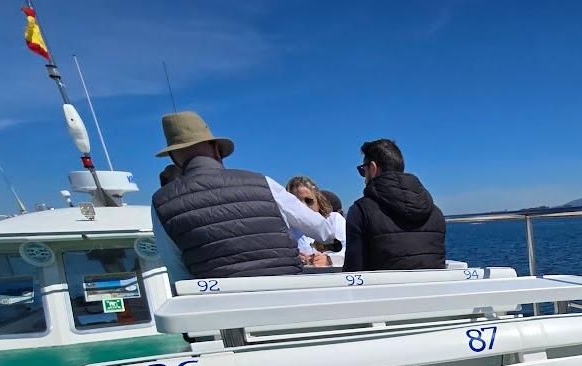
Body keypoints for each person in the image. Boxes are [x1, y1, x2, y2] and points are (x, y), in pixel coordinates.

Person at [150, 111, 340, 281]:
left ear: (174, 157)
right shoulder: (262, 182)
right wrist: (332, 241)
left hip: (222, 307)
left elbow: (177, 270)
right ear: (217, 149)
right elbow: (318, 227)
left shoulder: (161, 203)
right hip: (287, 293)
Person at [344, 139, 446, 272]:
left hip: (381, 292)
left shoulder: (360, 211)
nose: (364, 178)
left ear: (373, 168)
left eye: (363, 170)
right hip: (434, 292)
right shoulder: (435, 213)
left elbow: (353, 273)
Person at [285, 175, 344, 267]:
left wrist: (329, 260)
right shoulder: (283, 228)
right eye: (296, 202)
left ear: (318, 201)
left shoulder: (334, 220)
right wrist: (291, 258)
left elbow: (351, 251)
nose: (303, 207)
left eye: (308, 201)